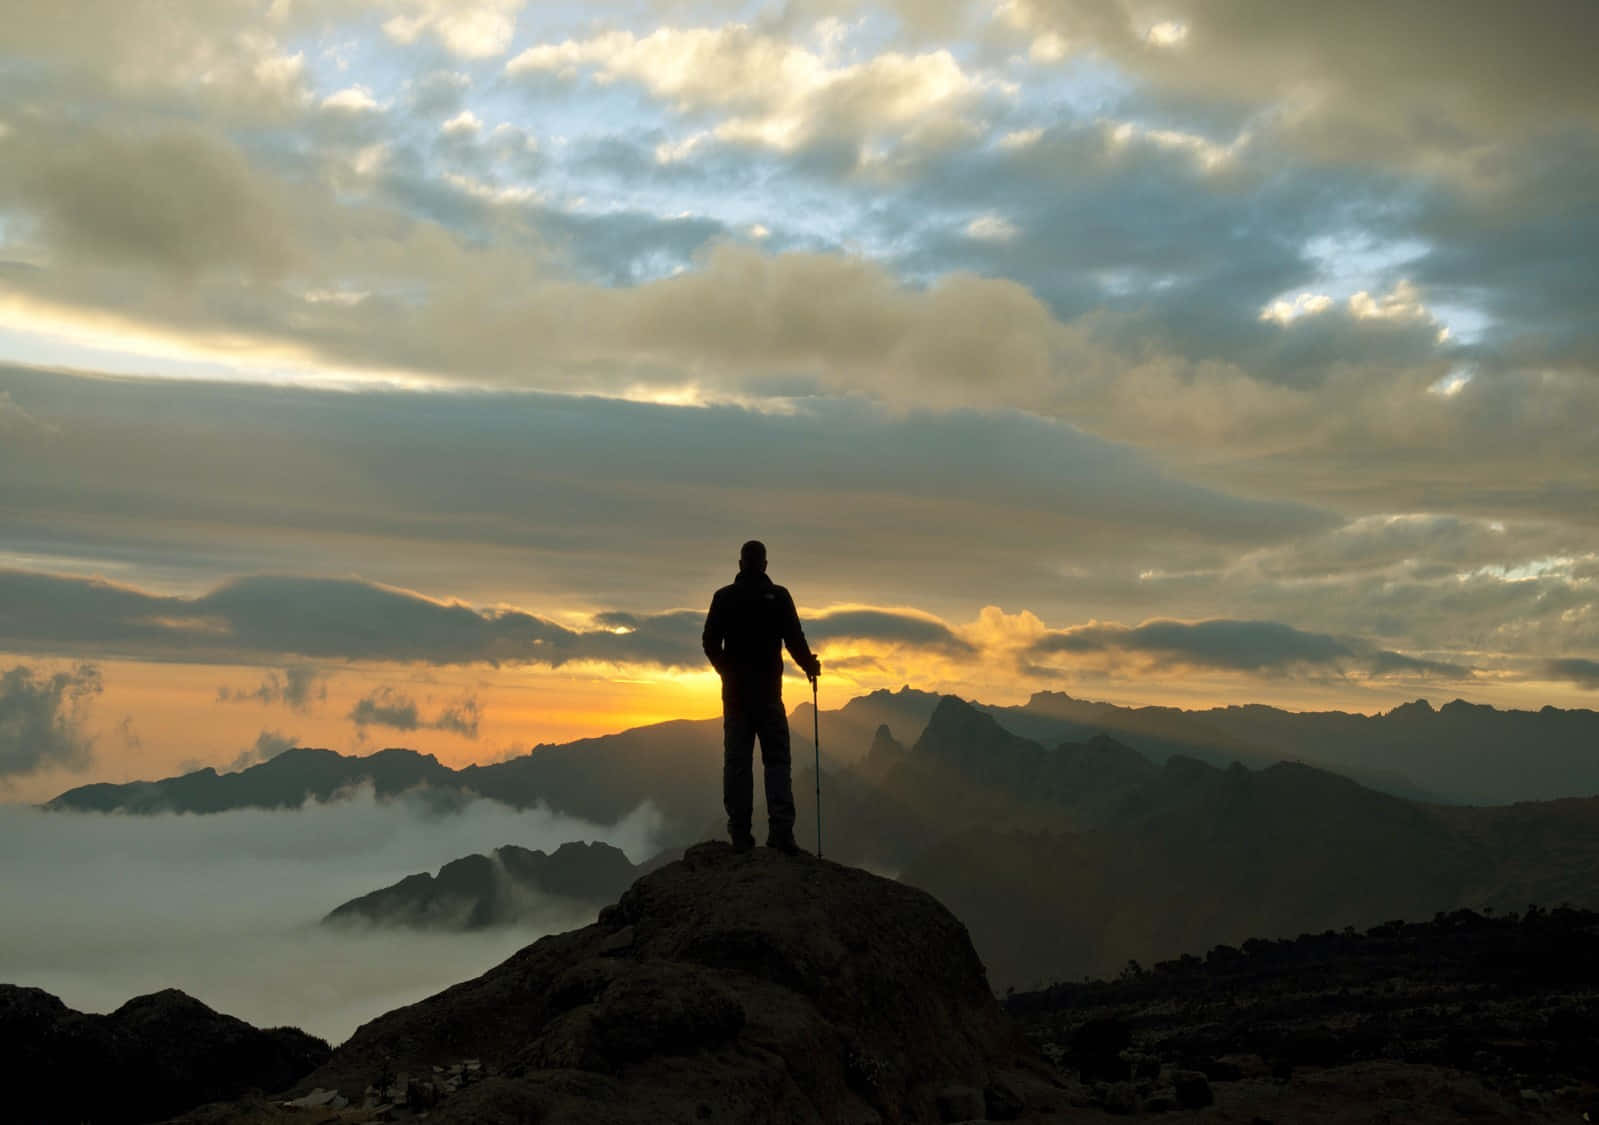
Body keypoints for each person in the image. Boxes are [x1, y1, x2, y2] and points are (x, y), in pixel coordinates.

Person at [702, 539, 821, 854]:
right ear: (765, 564)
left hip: (736, 698)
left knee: (737, 764)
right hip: (769, 696)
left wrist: (725, 670)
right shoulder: (778, 598)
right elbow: (795, 639)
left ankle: (740, 835)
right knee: (777, 762)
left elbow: (709, 641)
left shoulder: (724, 598)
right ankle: (781, 834)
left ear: (740, 563)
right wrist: (810, 665)